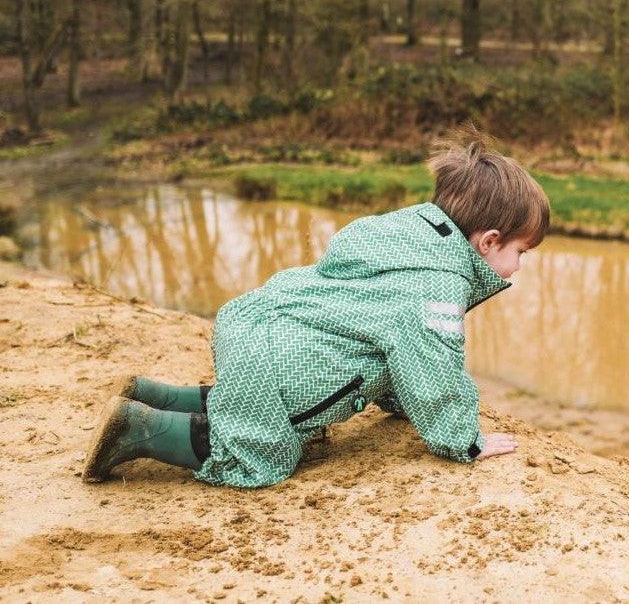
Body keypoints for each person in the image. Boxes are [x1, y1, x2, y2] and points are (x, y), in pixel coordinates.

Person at [83, 135, 550, 488]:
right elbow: (431, 364)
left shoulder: (408, 229)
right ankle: (140, 428)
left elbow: (382, 336)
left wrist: (399, 402)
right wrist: (463, 439)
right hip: (289, 365)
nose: (518, 266)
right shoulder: (437, 284)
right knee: (258, 449)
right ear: (489, 241)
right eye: (521, 252)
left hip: (258, 321)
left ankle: (159, 395)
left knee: (251, 396)